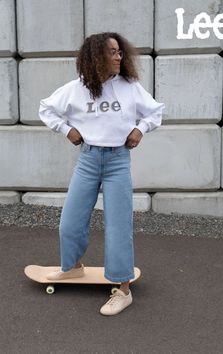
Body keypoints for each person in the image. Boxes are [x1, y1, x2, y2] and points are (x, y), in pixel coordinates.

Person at [39, 32, 165, 316]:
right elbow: (46, 108)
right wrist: (67, 129)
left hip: (118, 161)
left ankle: (123, 289)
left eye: (120, 52)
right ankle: (72, 267)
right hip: (88, 160)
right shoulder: (77, 88)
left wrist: (139, 130)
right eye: (112, 52)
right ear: (96, 57)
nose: (119, 56)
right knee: (70, 222)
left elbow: (155, 112)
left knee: (118, 227)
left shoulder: (130, 87)